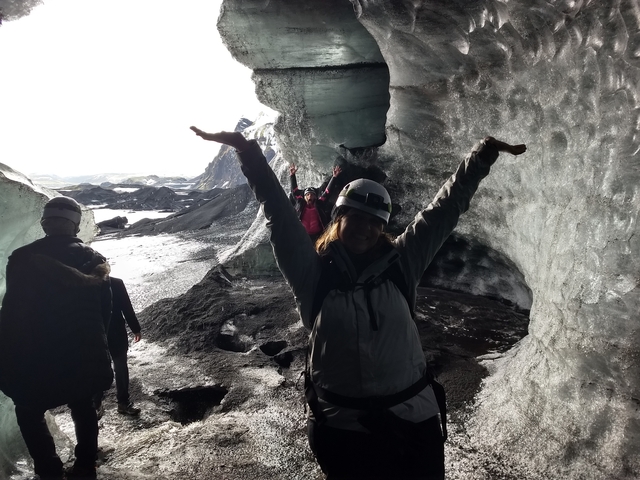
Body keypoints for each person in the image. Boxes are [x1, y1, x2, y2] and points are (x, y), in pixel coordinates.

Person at [190, 126, 526, 479]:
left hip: (412, 421)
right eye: (356, 218)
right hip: (343, 427)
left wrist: (482, 154)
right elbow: (278, 213)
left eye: (374, 222)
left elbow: (444, 209)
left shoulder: (402, 263)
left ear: (382, 228)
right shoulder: (312, 275)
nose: (365, 229)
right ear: (338, 218)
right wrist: (249, 152)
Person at [0, 196, 113, 480]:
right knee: (83, 405)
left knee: (29, 410)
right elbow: (105, 312)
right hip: (84, 351)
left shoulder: (22, 259)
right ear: (74, 225)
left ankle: (49, 469)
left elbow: (13, 310)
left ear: (45, 224)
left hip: (37, 353)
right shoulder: (95, 261)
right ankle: (86, 465)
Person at [94, 276, 142, 417]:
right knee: (108, 368)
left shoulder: (113, 283)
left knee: (114, 368)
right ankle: (103, 404)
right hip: (102, 334)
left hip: (108, 333)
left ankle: (116, 404)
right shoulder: (89, 284)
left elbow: (126, 307)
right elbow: (126, 307)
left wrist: (135, 328)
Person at [289, 163, 343, 241]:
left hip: (318, 235)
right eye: (307, 195)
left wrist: (334, 177)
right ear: (304, 197)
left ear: (315, 196)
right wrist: (292, 175)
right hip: (302, 235)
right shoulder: (300, 203)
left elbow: (327, 192)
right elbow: (294, 191)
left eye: (312, 195)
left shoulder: (319, 203)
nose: (310, 196)